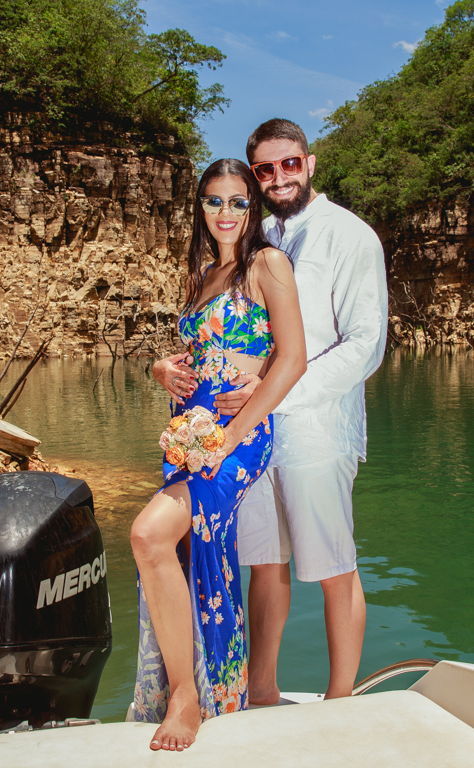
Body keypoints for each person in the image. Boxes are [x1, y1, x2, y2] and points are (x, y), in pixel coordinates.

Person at [162, 119, 388, 705]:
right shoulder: (253, 237)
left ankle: (342, 702)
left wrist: (276, 390)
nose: (279, 176)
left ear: (309, 163)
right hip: (251, 435)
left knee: (333, 566)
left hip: (318, 429)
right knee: (264, 562)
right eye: (265, 169)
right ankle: (261, 691)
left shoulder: (350, 235)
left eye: (289, 163)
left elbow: (366, 345)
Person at [132, 158, 306, 752]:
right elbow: (192, 354)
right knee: (176, 549)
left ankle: (187, 698)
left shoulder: (268, 265)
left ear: (252, 206)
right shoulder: (201, 276)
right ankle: (215, 689)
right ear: (200, 208)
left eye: (237, 201)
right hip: (189, 434)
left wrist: (233, 434)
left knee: (149, 535)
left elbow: (292, 359)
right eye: (214, 201)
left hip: (238, 436)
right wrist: (161, 368)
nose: (226, 213)